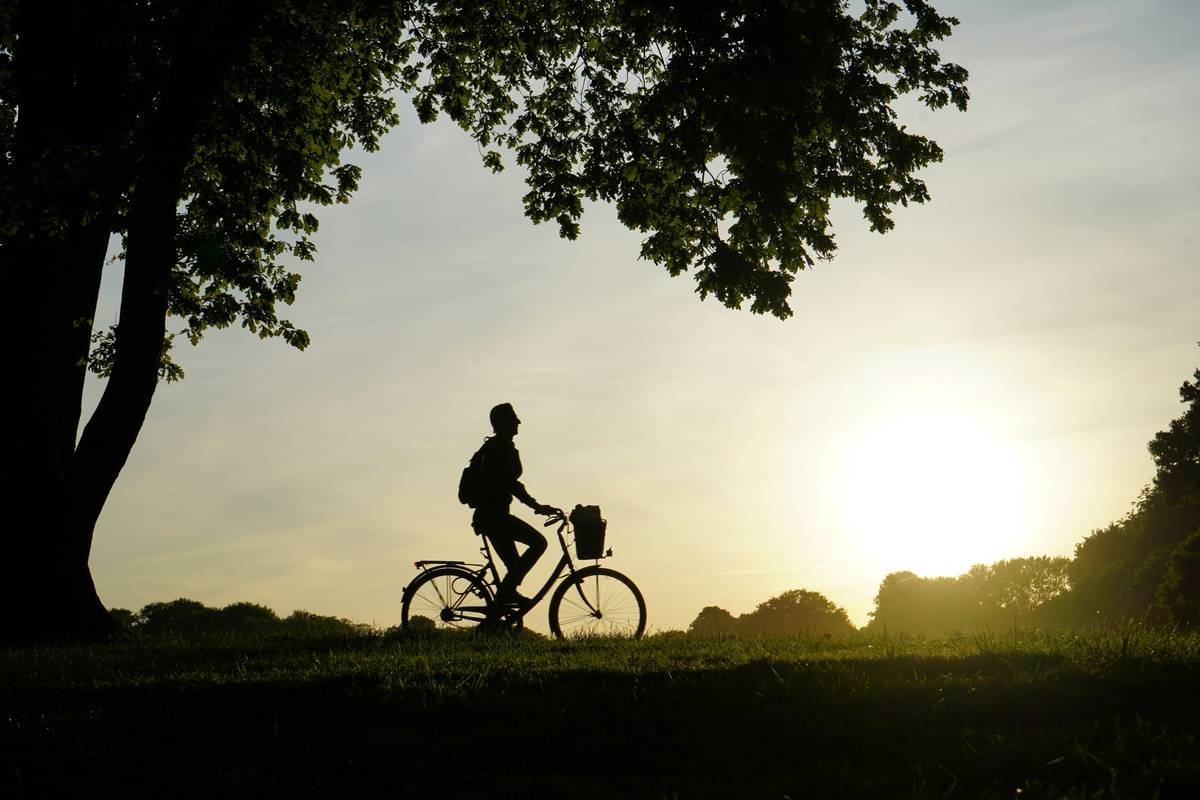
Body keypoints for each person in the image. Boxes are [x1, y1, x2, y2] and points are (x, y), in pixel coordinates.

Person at [471, 403, 558, 607]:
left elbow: (510, 484)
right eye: (513, 418)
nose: (518, 421)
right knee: (539, 543)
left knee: (514, 568)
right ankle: (504, 598)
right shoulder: (500, 449)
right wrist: (537, 506)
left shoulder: (494, 447)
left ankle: (499, 612)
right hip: (494, 517)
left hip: (490, 516)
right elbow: (512, 485)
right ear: (502, 423)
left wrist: (537, 506)